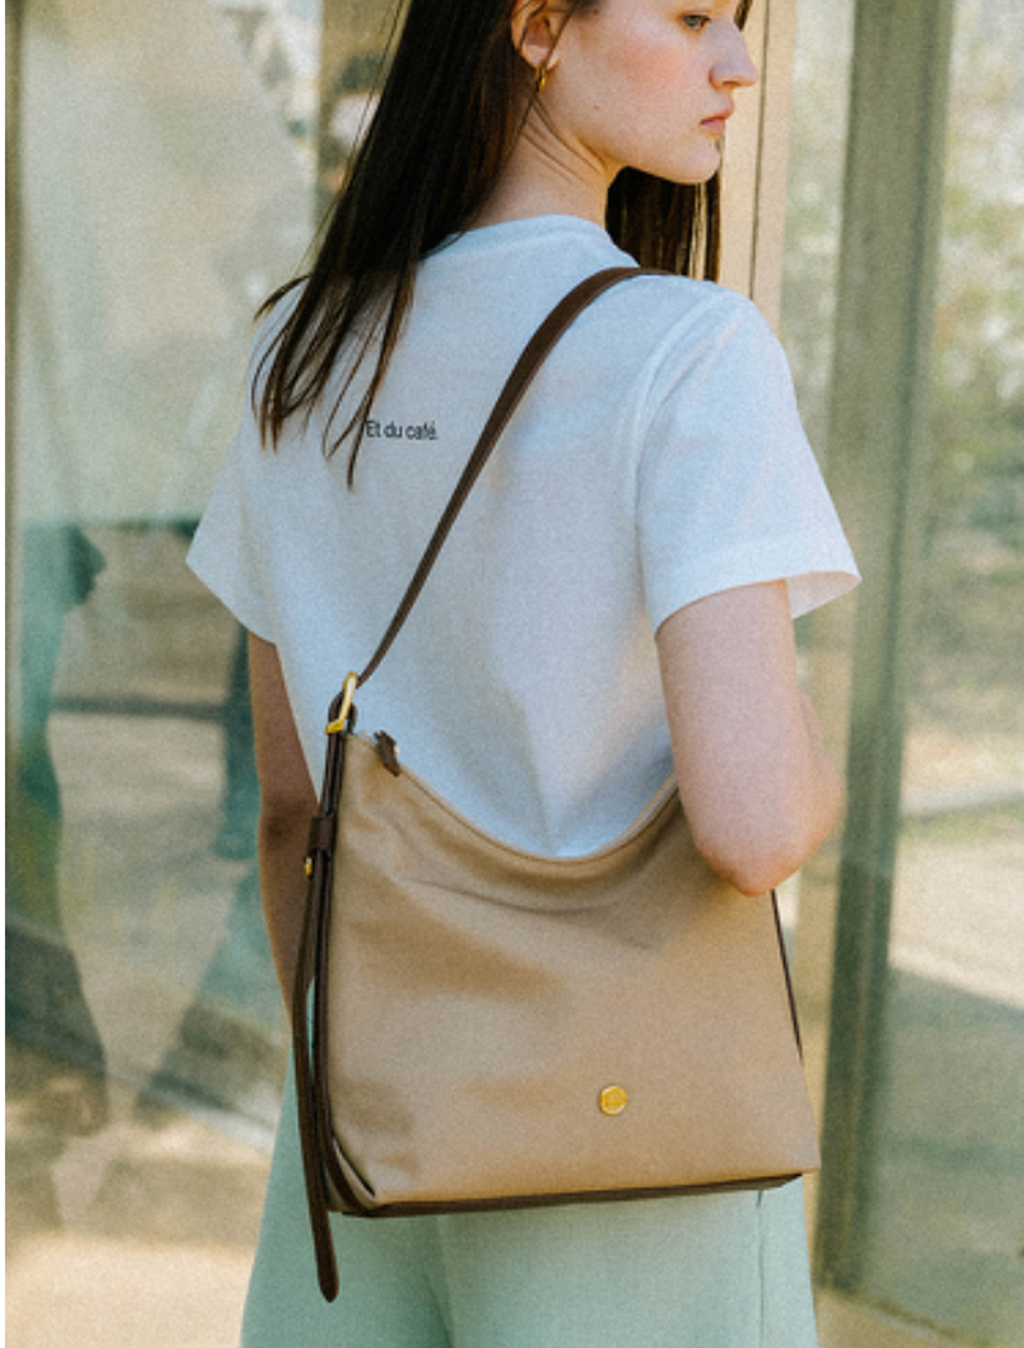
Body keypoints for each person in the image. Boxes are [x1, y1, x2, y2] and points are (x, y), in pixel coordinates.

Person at [188, 1, 859, 1343]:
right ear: (540, 26)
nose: (736, 65)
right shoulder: (690, 352)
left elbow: (293, 808)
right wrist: (821, 770)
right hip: (630, 1132)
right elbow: (754, 826)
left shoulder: (299, 351)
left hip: (367, 1114)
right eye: (692, 16)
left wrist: (353, 1067)